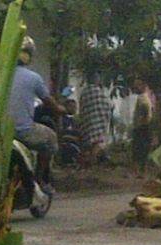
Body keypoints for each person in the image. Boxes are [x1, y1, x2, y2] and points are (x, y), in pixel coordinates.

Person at [7, 36, 65, 191]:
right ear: (29, 56)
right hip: (22, 131)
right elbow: (48, 101)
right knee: (51, 139)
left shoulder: (1, 74)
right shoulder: (33, 77)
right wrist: (60, 109)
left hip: (0, 132)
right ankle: (39, 179)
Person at [79, 72, 112, 149]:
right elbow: (107, 107)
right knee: (97, 146)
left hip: (87, 125)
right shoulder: (101, 93)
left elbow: (82, 109)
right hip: (99, 126)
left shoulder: (84, 93)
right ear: (98, 80)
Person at [131, 78, 153, 177]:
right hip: (144, 126)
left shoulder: (142, 98)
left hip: (142, 127)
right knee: (143, 150)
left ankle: (139, 171)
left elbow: (144, 109)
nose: (136, 87)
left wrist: (141, 122)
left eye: (138, 85)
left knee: (139, 150)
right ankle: (141, 171)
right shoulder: (146, 97)